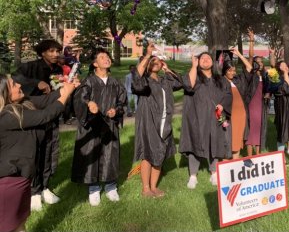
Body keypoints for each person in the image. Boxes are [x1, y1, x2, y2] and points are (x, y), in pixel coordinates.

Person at [0, 74, 77, 232]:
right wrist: (66, 94)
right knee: (8, 226)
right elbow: (45, 115)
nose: (19, 85)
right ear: (4, 94)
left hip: (22, 177)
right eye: (14, 85)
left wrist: (66, 88)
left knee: (19, 222)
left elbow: (46, 100)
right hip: (9, 180)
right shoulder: (7, 116)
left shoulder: (23, 102)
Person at [12, 39, 63, 211]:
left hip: (52, 116)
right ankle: (33, 191)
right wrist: (36, 83)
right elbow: (15, 79)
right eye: (51, 51)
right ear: (42, 53)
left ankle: (45, 187)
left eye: (57, 51)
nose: (56, 54)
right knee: (36, 152)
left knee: (50, 151)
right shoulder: (30, 67)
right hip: (33, 118)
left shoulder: (58, 69)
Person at [71, 48, 127, 206]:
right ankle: (93, 189)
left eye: (107, 56)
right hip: (91, 126)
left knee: (110, 155)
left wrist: (115, 110)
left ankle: (110, 187)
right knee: (92, 155)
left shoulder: (115, 82)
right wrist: (89, 103)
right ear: (95, 64)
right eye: (102, 57)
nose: (107, 59)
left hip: (109, 125)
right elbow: (79, 98)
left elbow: (122, 102)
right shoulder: (88, 81)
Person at [132, 43, 185, 197]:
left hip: (164, 122)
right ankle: (146, 188)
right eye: (152, 62)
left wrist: (167, 70)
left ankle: (154, 186)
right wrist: (148, 55)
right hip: (149, 121)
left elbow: (180, 83)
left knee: (160, 152)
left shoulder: (164, 80)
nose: (155, 63)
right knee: (148, 153)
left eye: (157, 61)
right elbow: (136, 77)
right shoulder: (144, 81)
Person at [179, 52, 232, 189]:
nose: (205, 60)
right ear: (198, 62)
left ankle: (214, 173)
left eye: (208, 58)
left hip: (214, 116)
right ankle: (193, 176)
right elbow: (188, 85)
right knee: (194, 143)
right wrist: (193, 66)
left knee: (214, 142)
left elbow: (228, 94)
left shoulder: (220, 79)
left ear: (212, 62)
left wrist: (222, 105)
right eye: (202, 58)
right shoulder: (193, 75)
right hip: (196, 116)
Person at [245, 29, 274, 156]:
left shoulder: (266, 74)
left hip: (262, 103)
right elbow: (250, 57)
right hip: (252, 102)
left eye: (261, 62)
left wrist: (272, 54)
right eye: (258, 62)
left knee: (260, 126)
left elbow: (274, 68)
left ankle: (258, 154)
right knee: (251, 126)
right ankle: (250, 155)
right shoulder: (251, 74)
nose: (260, 64)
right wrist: (252, 40)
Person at [224, 49, 253, 159]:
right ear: (224, 71)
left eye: (234, 71)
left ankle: (235, 164)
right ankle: (224, 168)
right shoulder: (220, 82)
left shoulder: (238, 80)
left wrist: (239, 54)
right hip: (228, 116)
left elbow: (249, 68)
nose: (232, 73)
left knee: (237, 141)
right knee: (227, 141)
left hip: (240, 115)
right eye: (229, 71)